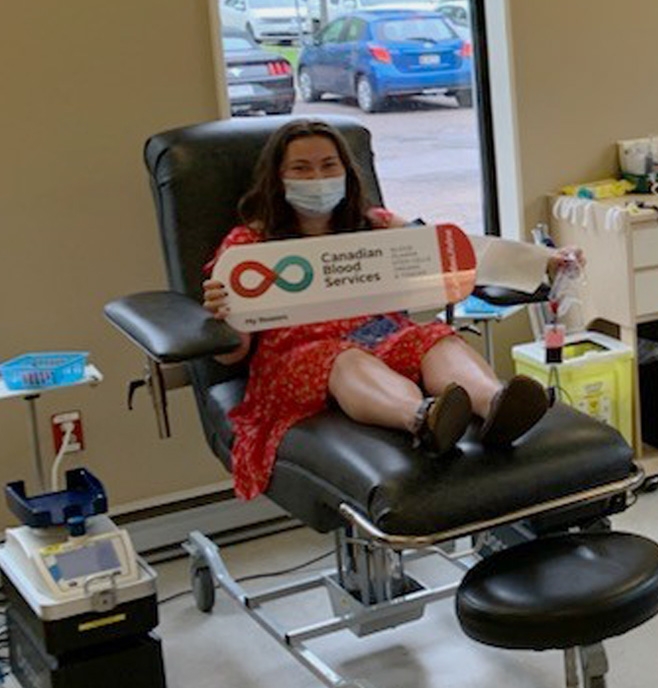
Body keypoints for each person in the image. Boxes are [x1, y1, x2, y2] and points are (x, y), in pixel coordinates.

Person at [201, 119, 577, 500]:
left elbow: (449, 253)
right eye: (301, 168)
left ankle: (495, 404)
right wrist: (224, 313)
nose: (317, 177)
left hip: (380, 336)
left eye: (329, 165)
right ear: (278, 178)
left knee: (431, 338)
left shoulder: (374, 223)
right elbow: (232, 353)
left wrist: (541, 262)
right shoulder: (248, 244)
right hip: (298, 357)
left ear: (346, 172)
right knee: (342, 357)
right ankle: (423, 419)